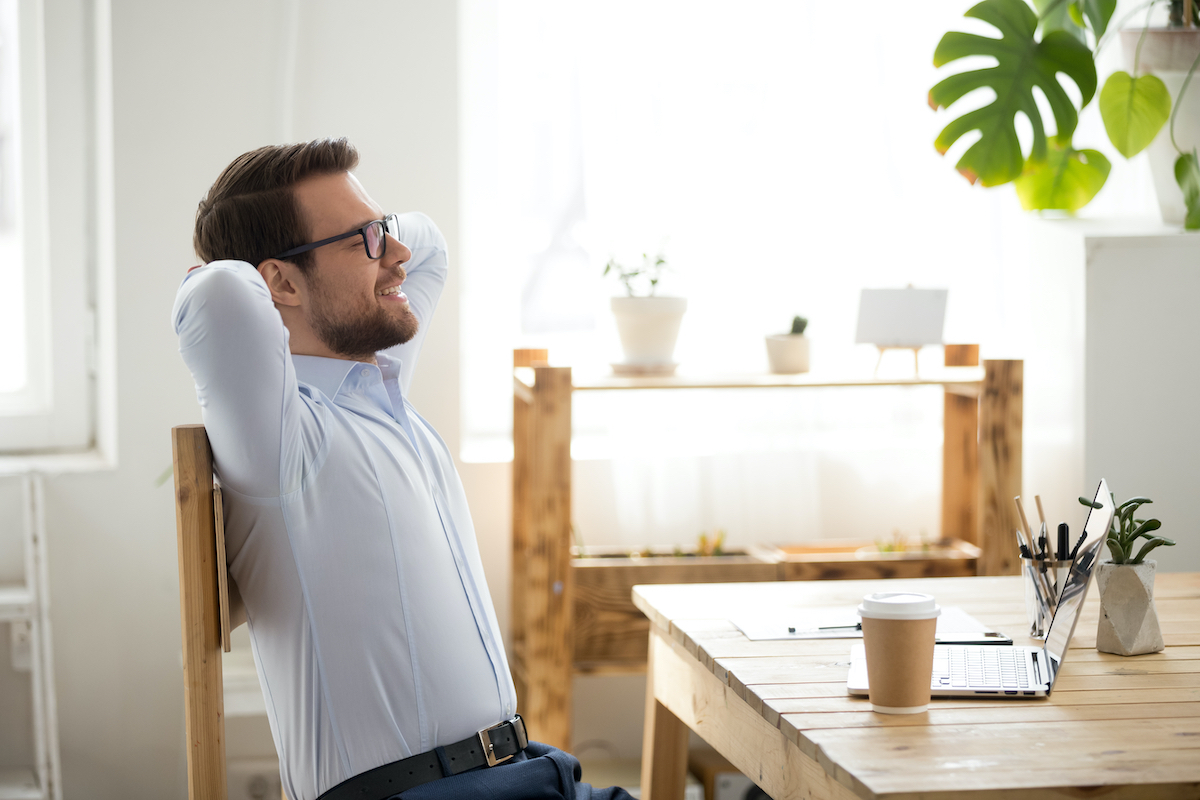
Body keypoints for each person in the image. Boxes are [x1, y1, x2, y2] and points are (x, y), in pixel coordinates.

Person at [174, 138, 632, 800]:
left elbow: (430, 243)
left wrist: (364, 234)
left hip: (532, 772)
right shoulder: (282, 446)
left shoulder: (379, 398)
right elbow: (218, 293)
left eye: (383, 229)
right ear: (278, 282)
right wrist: (234, 252)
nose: (398, 254)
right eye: (365, 239)